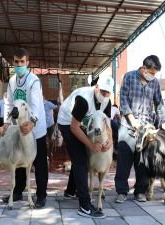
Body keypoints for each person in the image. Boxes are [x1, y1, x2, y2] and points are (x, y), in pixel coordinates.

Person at [114, 55, 165, 204]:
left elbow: (159, 103)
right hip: (128, 127)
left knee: (143, 162)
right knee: (124, 161)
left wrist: (163, 122)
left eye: (155, 74)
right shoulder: (129, 77)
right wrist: (132, 119)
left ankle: (140, 191)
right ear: (144, 68)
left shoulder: (155, 84)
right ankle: (121, 191)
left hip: (147, 129)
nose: (153, 76)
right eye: (151, 72)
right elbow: (123, 99)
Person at [57, 74, 114, 218]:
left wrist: (110, 140)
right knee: (81, 160)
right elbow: (74, 127)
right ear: (96, 87)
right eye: (102, 92)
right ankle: (85, 206)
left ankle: (70, 191)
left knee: (80, 157)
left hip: (82, 124)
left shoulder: (107, 101)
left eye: (108, 92)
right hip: (67, 122)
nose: (105, 95)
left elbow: (107, 124)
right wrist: (90, 144)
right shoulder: (84, 100)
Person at [0, 48, 48, 208]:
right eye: (16, 62)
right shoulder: (12, 81)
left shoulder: (33, 81)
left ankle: (41, 196)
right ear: (13, 62)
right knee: (18, 159)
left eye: (22, 62)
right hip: (19, 128)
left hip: (36, 127)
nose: (19, 65)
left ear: (27, 62)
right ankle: (17, 192)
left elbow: (36, 105)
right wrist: (6, 122)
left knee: (39, 163)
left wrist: (32, 123)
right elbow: (9, 102)